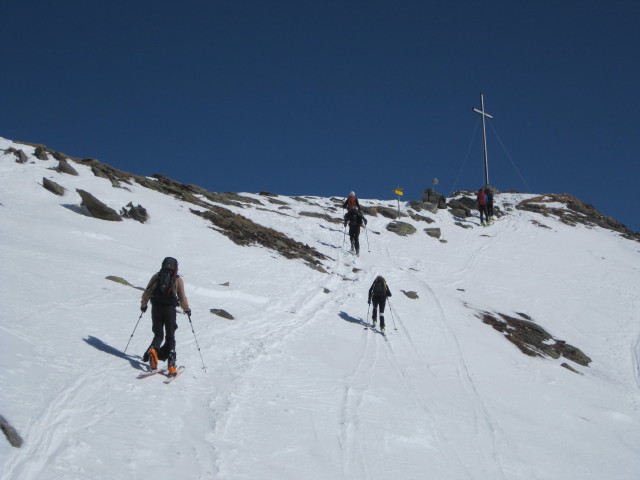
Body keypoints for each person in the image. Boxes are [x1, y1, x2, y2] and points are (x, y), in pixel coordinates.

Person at [140, 257, 190, 375]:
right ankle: (171, 366)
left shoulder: (157, 276)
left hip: (156, 307)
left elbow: (147, 291)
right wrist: (186, 309)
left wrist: (144, 305)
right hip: (169, 309)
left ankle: (153, 350)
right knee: (170, 336)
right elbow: (182, 297)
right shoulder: (177, 279)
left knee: (158, 334)